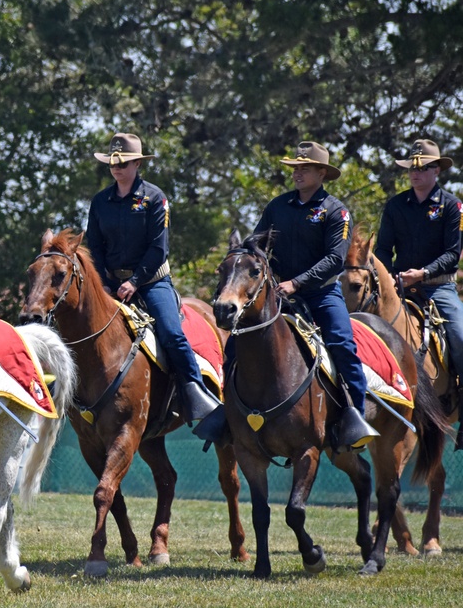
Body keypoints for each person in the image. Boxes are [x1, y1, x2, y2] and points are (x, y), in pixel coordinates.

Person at [198, 141, 378, 452]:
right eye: (295, 168)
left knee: (343, 346)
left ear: (322, 173)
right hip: (279, 295)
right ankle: (226, 414)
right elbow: (255, 247)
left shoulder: (336, 211)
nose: (297, 173)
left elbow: (335, 260)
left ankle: (354, 419)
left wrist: (298, 282)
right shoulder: (276, 207)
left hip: (322, 295)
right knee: (236, 345)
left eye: (304, 168)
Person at [84, 133, 221, 437]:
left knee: (172, 333)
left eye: (123, 163)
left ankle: (197, 397)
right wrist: (104, 284)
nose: (116, 168)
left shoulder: (154, 197)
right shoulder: (99, 202)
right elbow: (94, 246)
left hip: (151, 282)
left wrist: (135, 281)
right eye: (113, 163)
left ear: (137, 164)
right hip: (110, 285)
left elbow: (158, 248)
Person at [375, 139, 463, 430]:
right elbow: (384, 249)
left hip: (439, 287)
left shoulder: (453, 206)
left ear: (437, 170)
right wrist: (387, 277)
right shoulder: (396, 205)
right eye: (412, 167)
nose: (416, 173)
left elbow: (453, 254)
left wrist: (423, 274)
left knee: (460, 336)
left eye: (424, 167)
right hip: (399, 286)